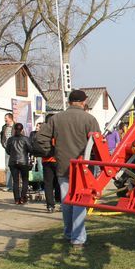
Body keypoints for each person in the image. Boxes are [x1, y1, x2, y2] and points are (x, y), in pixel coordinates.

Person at [50, 90, 100, 247]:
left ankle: (68, 232)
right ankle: (78, 239)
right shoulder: (89, 119)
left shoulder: (56, 118)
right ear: (83, 102)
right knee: (79, 201)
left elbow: (41, 138)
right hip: (82, 168)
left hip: (63, 165)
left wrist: (51, 152)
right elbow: (98, 144)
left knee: (66, 201)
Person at [6, 122, 33, 204]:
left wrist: (13, 154)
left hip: (13, 161)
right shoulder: (25, 139)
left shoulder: (10, 139)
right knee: (25, 180)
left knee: (15, 181)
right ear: (22, 130)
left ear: (14, 129)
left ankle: (16, 199)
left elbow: (7, 150)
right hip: (23, 161)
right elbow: (30, 149)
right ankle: (22, 197)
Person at [41, 114, 60, 213]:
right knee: (60, 181)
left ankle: (50, 205)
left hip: (45, 160)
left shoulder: (42, 131)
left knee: (48, 184)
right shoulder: (58, 130)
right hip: (57, 160)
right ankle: (60, 202)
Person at [0, 113, 14, 192]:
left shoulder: (16, 126)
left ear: (10, 118)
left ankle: (16, 185)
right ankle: (9, 185)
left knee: (15, 168)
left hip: (15, 151)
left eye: (6, 118)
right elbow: (1, 136)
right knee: (7, 168)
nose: (5, 120)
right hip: (7, 150)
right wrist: (3, 144)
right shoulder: (4, 127)